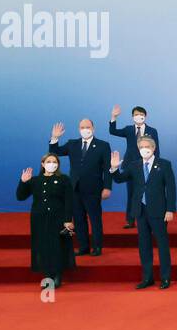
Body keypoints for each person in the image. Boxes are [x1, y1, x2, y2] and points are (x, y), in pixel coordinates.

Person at [109, 137, 175, 289]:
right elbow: (119, 179)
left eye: (147, 146)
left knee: (162, 245)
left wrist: (170, 209)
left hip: (158, 210)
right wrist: (113, 169)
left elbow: (171, 188)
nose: (144, 149)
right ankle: (148, 278)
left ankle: (165, 278)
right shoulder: (134, 165)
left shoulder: (164, 164)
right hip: (140, 210)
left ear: (154, 148)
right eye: (141, 146)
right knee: (144, 245)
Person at [49, 119, 111, 256]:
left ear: (93, 128)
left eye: (87, 126)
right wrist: (54, 138)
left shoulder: (103, 145)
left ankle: (97, 247)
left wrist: (107, 187)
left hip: (94, 189)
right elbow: (55, 152)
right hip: (74, 189)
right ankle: (83, 247)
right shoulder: (72, 144)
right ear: (79, 129)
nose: (85, 129)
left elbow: (107, 169)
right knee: (78, 219)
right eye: (82, 127)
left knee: (95, 219)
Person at [15, 153, 75, 288]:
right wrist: (23, 182)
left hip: (58, 218)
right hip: (39, 218)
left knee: (57, 246)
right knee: (43, 246)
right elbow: (20, 196)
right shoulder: (35, 180)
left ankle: (58, 274)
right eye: (49, 161)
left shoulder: (64, 179)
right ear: (43, 164)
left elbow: (69, 201)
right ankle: (48, 275)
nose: (52, 164)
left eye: (55, 162)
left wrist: (67, 219)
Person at [108, 104, 159, 229]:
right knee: (131, 194)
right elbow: (113, 131)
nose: (139, 116)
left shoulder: (152, 131)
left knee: (149, 193)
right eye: (136, 114)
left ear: (145, 116)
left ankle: (150, 219)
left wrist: (155, 166)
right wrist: (113, 117)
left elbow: (156, 149)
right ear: (132, 117)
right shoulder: (128, 130)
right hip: (130, 167)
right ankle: (130, 220)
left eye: (141, 114)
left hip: (147, 166)